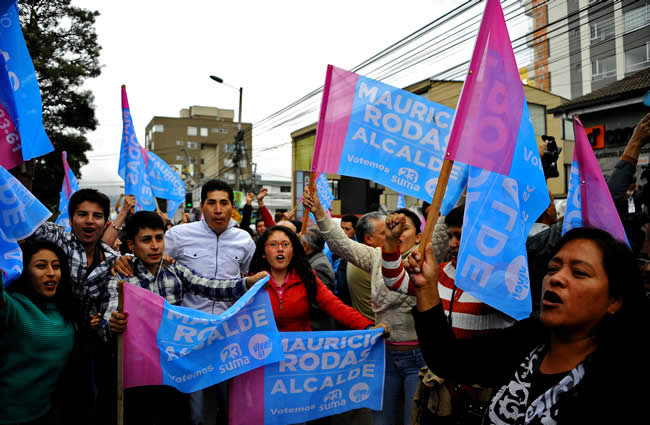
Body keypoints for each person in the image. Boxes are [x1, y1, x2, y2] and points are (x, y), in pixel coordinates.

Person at [409, 227, 649, 424]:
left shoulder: (624, 379)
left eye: (579, 272)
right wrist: (426, 287)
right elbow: (448, 359)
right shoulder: (526, 341)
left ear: (614, 300)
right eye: (553, 268)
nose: (556, 278)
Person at [105, 211, 267, 425]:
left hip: (174, 370)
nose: (155, 246)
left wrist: (247, 283)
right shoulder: (122, 277)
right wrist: (113, 324)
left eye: (159, 238)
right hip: (139, 374)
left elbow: (209, 286)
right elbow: (109, 318)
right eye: (146, 240)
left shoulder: (174, 270)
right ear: (131, 245)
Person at [303, 192, 424, 425]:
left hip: (418, 357)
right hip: (384, 353)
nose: (397, 232)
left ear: (419, 236)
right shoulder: (376, 257)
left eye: (404, 228)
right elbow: (341, 244)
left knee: (413, 419)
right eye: (393, 228)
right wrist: (319, 211)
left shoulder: (427, 260)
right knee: (381, 420)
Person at [31, 188, 124, 424]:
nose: (90, 221)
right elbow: (25, 221)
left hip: (87, 350)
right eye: (83, 214)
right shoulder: (55, 238)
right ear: (71, 218)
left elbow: (115, 299)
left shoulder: (115, 261)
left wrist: (108, 323)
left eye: (97, 216)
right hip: (44, 344)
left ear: (106, 223)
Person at [1, 240, 78, 424]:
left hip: (45, 414)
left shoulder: (67, 308)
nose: (51, 273)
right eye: (41, 266)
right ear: (24, 270)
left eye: (56, 266)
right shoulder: (12, 306)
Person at [249, 225, 379, 333]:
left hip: (300, 355)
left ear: (293, 251)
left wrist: (368, 327)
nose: (280, 249)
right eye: (273, 244)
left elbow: (335, 306)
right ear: (263, 253)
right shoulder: (252, 282)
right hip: (264, 355)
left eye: (285, 244)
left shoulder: (307, 278)